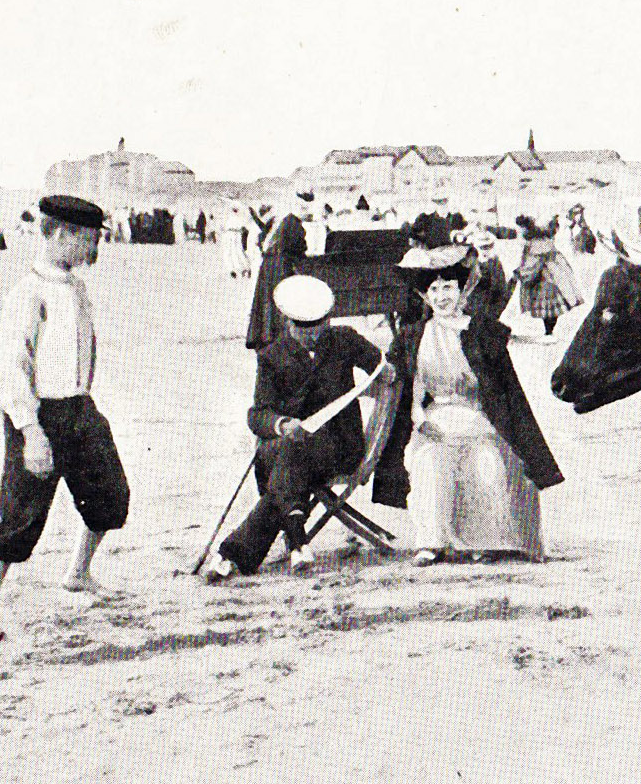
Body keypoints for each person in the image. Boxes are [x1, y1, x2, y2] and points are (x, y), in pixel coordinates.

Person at [0, 196, 129, 641]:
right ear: (62, 233)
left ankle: (78, 573)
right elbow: (10, 369)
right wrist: (31, 432)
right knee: (20, 516)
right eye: (90, 240)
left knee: (110, 496)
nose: (94, 250)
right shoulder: (28, 293)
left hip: (79, 408)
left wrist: (83, 402)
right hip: (40, 416)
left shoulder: (76, 287)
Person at [210, 275, 394, 582]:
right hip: (293, 449)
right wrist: (281, 424)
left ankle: (263, 545)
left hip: (339, 446)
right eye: (302, 329)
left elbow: (382, 364)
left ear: (328, 320)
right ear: (288, 322)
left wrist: (385, 368)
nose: (311, 335)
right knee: (287, 451)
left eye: (319, 327)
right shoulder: (272, 356)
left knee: (282, 460)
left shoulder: (344, 339)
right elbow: (258, 414)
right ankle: (290, 541)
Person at [389, 247, 564, 564]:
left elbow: (503, 383)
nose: (442, 296)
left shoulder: (480, 330)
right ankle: (431, 541)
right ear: (424, 296)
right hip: (434, 420)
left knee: (487, 460)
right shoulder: (413, 336)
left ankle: (485, 540)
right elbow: (411, 391)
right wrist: (419, 420)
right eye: (434, 289)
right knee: (429, 462)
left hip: (478, 418)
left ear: (461, 290)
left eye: (448, 288)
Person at [245, 196, 308, 350]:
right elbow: (299, 249)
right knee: (279, 298)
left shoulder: (284, 222)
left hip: (269, 265)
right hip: (279, 265)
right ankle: (276, 334)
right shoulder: (294, 224)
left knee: (266, 298)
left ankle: (264, 334)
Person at [513, 214, 583, 340]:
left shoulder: (533, 245)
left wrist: (522, 271)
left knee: (547, 309)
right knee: (550, 309)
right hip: (550, 279)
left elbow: (530, 263)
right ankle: (549, 332)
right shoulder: (548, 244)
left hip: (545, 280)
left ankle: (548, 332)